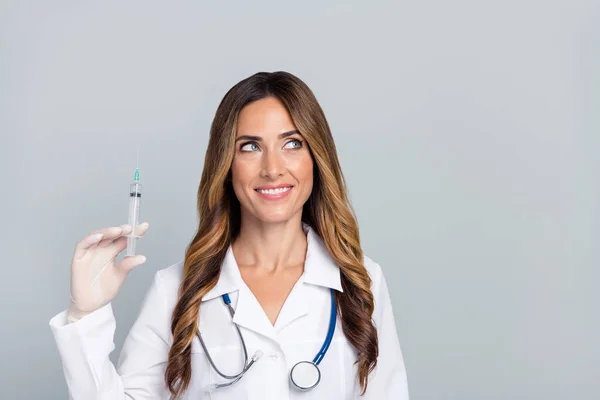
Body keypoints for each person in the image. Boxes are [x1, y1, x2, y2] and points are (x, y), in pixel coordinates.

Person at [49, 71, 409, 400]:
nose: (272, 168)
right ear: (226, 165)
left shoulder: (362, 281)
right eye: (250, 147)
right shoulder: (175, 289)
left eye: (292, 143)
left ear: (317, 157)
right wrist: (85, 317)